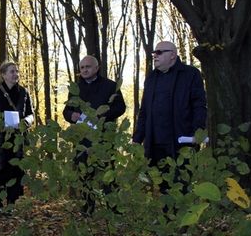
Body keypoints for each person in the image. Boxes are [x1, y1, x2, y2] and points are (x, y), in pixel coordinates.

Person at [132, 41, 207, 193]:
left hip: (181, 144)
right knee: (161, 189)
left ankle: (180, 216)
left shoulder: (190, 74)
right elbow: (145, 111)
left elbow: (199, 106)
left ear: (172, 55)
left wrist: (196, 134)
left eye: (159, 52)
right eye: (154, 53)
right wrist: (137, 139)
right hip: (154, 145)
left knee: (180, 188)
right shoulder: (152, 78)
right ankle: (165, 217)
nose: (155, 56)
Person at [63, 55, 126, 215]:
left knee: (108, 175)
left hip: (104, 138)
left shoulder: (110, 86)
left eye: (88, 67)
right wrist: (72, 116)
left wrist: (102, 115)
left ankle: (114, 210)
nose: (84, 70)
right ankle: (87, 210)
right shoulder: (75, 89)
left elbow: (120, 107)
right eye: (82, 67)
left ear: (97, 68)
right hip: (82, 139)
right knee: (84, 175)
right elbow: (66, 110)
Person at [0, 61, 34, 216]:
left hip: (17, 140)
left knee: (15, 171)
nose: (15, 74)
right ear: (3, 75)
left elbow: (31, 114)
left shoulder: (23, 93)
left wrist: (25, 122)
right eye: (11, 71)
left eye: (16, 71)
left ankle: (11, 205)